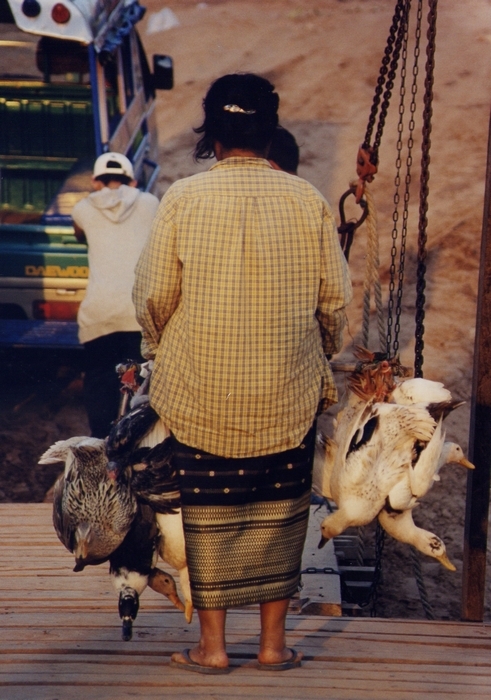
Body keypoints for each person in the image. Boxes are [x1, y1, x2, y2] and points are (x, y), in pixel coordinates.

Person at [133, 73, 352, 673]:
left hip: (201, 391)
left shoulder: (182, 198)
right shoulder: (307, 199)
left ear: (214, 130)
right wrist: (316, 354)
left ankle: (212, 648)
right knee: (282, 510)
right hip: (286, 390)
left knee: (209, 513)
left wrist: (157, 348)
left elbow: (153, 295)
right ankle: (275, 646)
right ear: (269, 127)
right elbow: (334, 301)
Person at [72, 152, 159, 438]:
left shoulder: (82, 209)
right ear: (133, 181)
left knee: (99, 380)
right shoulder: (150, 203)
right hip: (139, 315)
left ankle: (100, 446)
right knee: (143, 387)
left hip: (99, 316)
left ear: (96, 183)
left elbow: (79, 235)